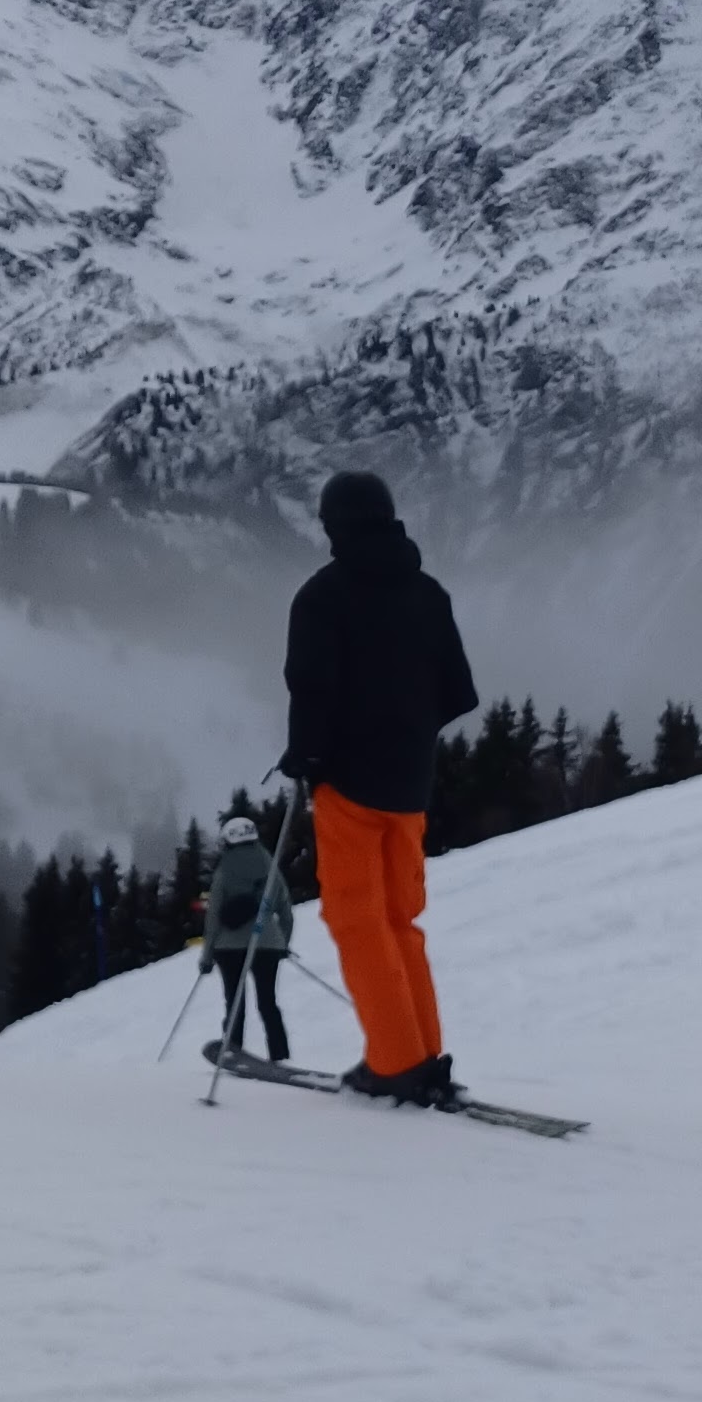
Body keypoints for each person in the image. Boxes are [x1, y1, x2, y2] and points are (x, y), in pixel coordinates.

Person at [281, 469, 477, 1104]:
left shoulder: (323, 598)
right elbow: (457, 692)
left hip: (350, 788)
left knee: (357, 919)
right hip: (410, 787)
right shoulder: (428, 593)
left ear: (334, 525)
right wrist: (408, 733)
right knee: (400, 920)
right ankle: (421, 1052)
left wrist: (307, 757)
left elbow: (312, 690)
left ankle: (395, 1062)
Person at [200, 814, 293, 1062]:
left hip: (228, 947)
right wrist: (283, 943)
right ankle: (280, 1055)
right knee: (268, 1002)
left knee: (234, 1001)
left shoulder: (224, 869)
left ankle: (232, 1049)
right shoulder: (270, 866)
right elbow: (285, 910)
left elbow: (214, 915)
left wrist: (207, 956)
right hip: (268, 943)